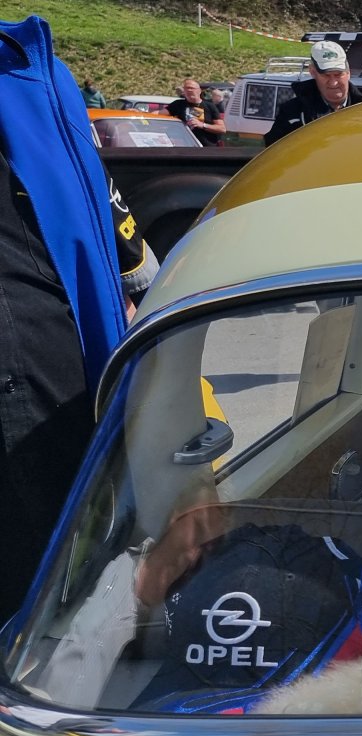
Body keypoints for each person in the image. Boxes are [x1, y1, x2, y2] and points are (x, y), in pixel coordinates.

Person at [0, 16, 157, 621]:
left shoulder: (30, 64)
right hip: (26, 387)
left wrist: (135, 274)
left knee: (76, 572)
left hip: (76, 371)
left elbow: (94, 186)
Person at [265, 41, 362, 146]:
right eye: (326, 75)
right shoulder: (292, 112)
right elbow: (273, 151)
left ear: (348, 72)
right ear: (312, 72)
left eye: (338, 74)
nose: (333, 82)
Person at [166, 78, 224, 146]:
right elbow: (159, 114)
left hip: (206, 147)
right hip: (185, 146)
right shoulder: (178, 104)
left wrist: (203, 125)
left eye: (192, 88)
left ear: (199, 91)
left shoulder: (209, 106)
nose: (189, 90)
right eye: (186, 88)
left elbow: (222, 129)